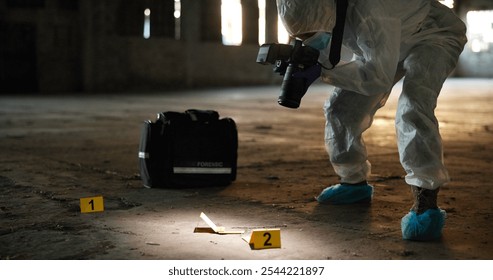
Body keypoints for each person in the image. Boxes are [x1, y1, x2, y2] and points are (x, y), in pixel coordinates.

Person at [275, 0, 467, 241]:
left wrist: (323, 72)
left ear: (324, 14)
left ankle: (426, 203)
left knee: (413, 107)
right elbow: (352, 57)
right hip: (386, 45)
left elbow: (377, 78)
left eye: (310, 34)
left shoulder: (370, 11)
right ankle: (352, 183)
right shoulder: (327, 13)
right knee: (341, 108)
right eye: (299, 36)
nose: (308, 39)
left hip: (433, 35)